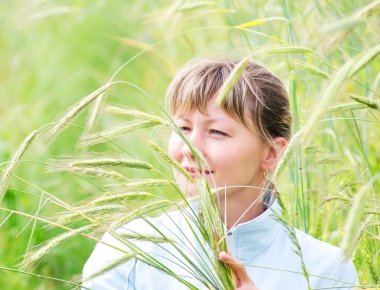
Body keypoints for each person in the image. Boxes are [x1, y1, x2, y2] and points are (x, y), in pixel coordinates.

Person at [82, 58, 358, 290]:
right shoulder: (130, 250)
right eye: (184, 128)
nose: (190, 149)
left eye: (217, 132)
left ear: (271, 153)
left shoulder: (327, 270)